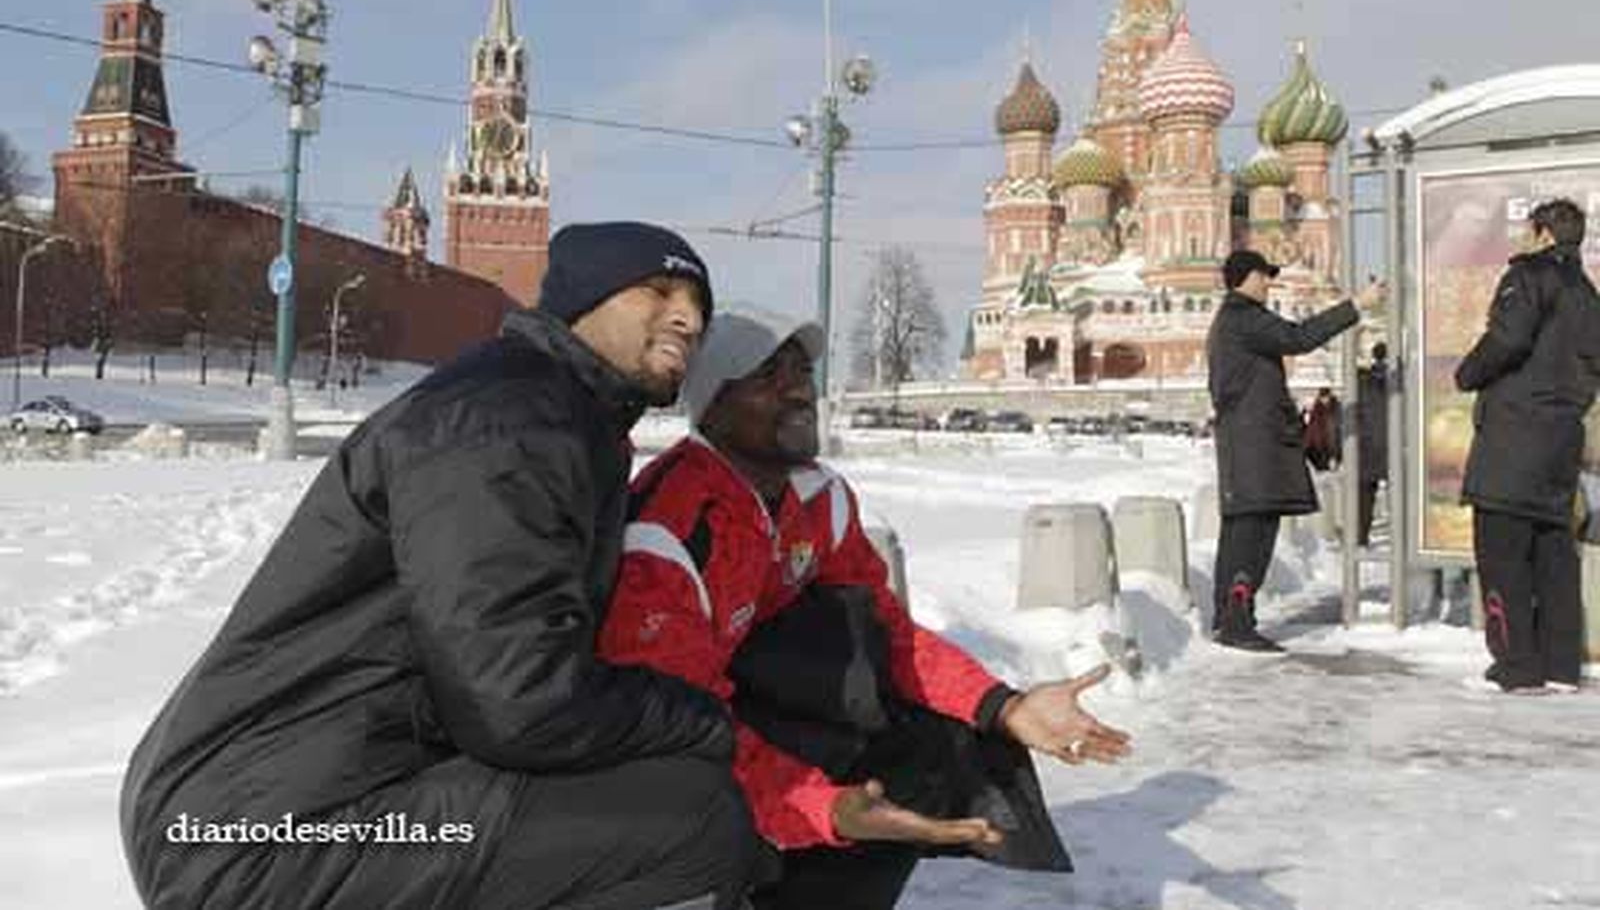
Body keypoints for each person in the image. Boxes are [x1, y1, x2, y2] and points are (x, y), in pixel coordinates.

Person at [119, 222, 764, 910]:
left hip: (275, 802)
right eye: (658, 290)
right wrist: (701, 719)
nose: (688, 318)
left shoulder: (549, 409)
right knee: (692, 820)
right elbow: (517, 699)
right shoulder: (509, 419)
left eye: (699, 303)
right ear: (584, 299)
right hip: (262, 831)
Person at [599, 307, 1131, 909]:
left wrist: (1004, 706)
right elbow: (676, 725)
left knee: (945, 742)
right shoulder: (668, 533)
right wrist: (820, 807)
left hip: (757, 713)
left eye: (802, 371)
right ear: (714, 400)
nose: (799, 389)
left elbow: (888, 635)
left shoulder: (818, 496)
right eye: (770, 374)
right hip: (666, 757)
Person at [1455, 198, 1600, 695]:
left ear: (1542, 234)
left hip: (1515, 439)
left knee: (1502, 554)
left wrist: (1468, 373)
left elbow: (1508, 339)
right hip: (1562, 440)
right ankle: (1561, 665)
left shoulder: (1529, 276)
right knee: (1554, 553)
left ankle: (1517, 663)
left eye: (1526, 230)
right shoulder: (1587, 292)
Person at [1207, 250, 1384, 652]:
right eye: (1264, 276)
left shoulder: (1231, 320)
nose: (1269, 283)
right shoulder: (1244, 316)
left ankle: (1231, 618)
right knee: (1251, 534)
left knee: (1243, 529)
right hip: (1257, 444)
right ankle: (1236, 622)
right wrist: (1356, 304)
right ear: (1245, 278)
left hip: (1249, 442)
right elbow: (1298, 339)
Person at [1356, 342, 1390, 547]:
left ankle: (1361, 538)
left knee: (1364, 500)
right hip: (1395, 447)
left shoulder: (1361, 382)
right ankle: (1405, 538)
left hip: (1366, 449)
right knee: (1403, 497)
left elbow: (1351, 416)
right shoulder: (1401, 379)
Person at [1303, 386, 1343, 472]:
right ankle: (1324, 464)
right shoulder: (1317, 409)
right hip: (1321, 444)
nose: (1324, 400)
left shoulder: (1335, 408)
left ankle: (1329, 462)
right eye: (1323, 397)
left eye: (1325, 397)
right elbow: (1312, 427)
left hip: (1330, 441)